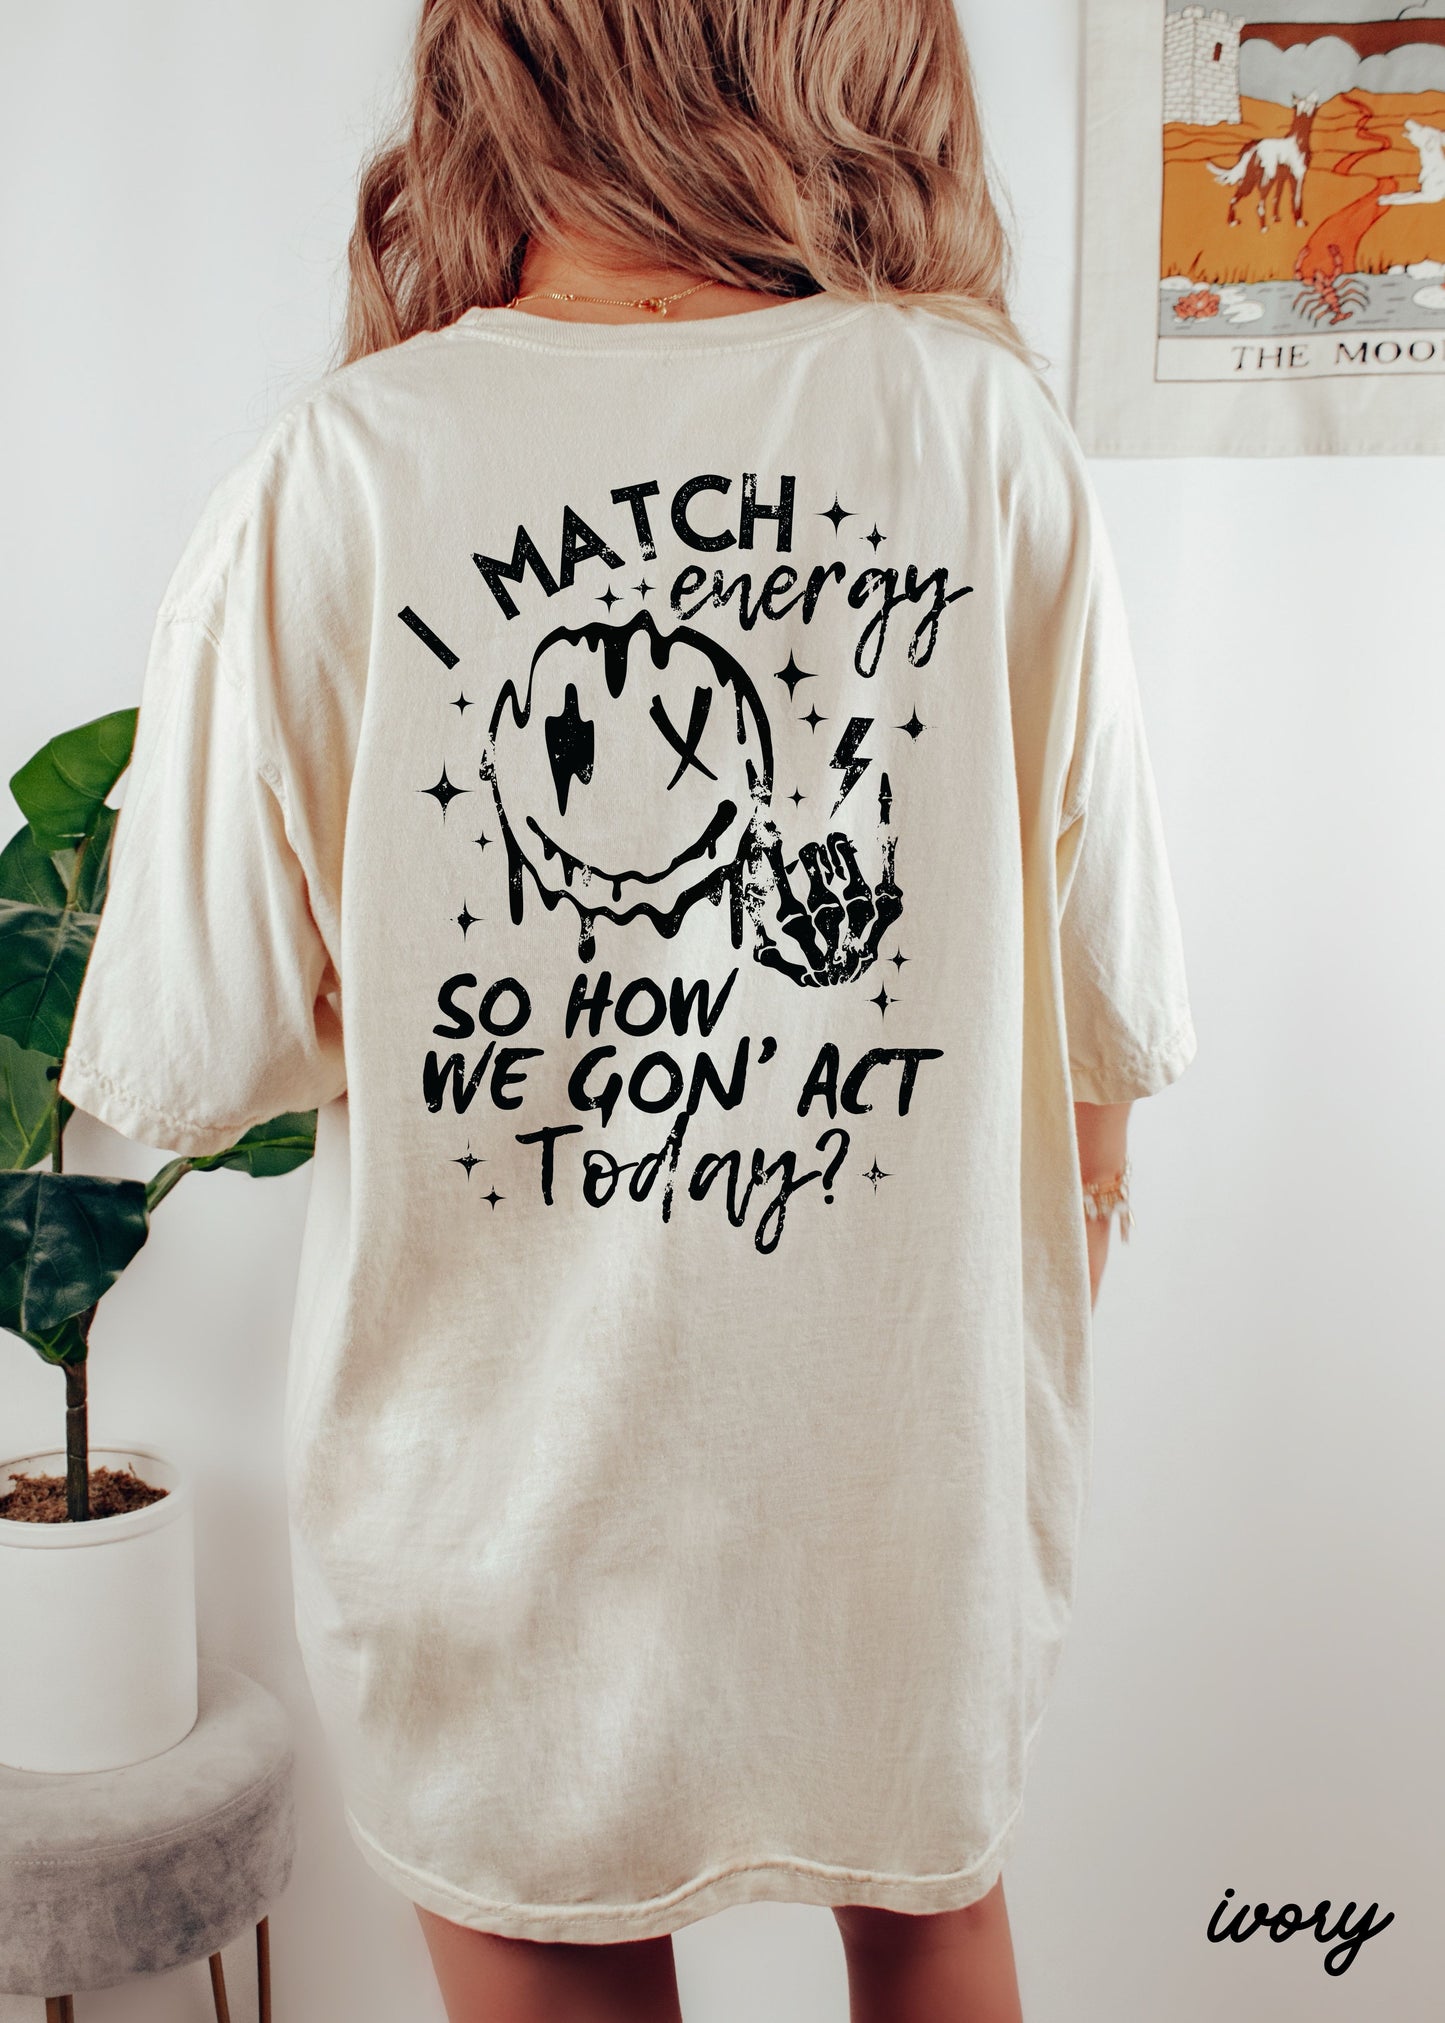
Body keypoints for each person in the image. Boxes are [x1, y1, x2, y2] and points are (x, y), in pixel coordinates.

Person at [59, 2, 1197, 2018]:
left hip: (496, 1482)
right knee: (928, 1898)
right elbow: (1097, 1004)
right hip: (897, 1469)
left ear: (498, 55)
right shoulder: (975, 425)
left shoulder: (348, 471)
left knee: (547, 1930)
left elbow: (205, 1050)